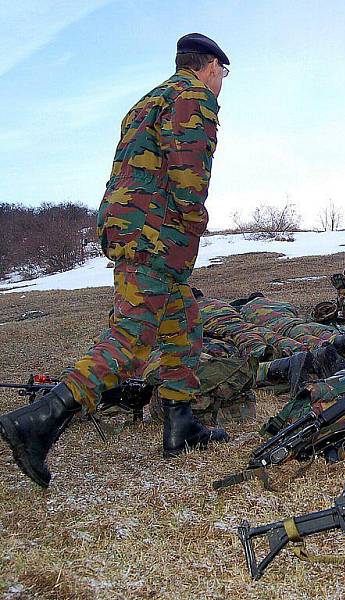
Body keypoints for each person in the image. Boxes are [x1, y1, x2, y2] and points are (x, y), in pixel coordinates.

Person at [0, 33, 231, 488]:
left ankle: (179, 425)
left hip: (132, 225)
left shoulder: (148, 100)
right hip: (156, 232)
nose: (222, 81)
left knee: (182, 321)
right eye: (223, 72)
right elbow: (189, 173)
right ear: (208, 66)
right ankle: (38, 421)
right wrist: (193, 220)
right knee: (131, 338)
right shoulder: (194, 96)